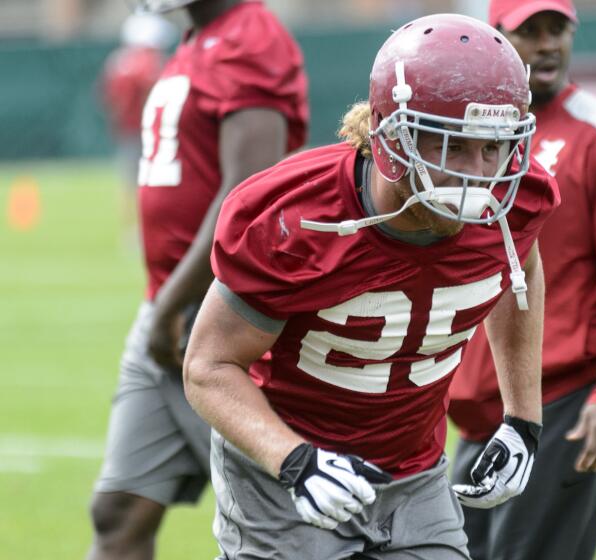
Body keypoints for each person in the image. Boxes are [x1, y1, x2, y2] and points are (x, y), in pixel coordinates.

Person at [182, 13, 560, 559]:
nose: (479, 177)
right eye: (452, 148)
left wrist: (523, 419)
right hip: (286, 476)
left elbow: (517, 268)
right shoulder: (297, 219)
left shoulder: (514, 201)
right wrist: (294, 461)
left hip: (414, 473)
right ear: (393, 137)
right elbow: (208, 367)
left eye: (493, 147)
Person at [448, 1, 596, 559]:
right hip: (482, 406)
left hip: (567, 396)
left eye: (557, 30)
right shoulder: (465, 137)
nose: (546, 44)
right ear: (494, 40)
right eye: (529, 32)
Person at [87, 1, 309, 558]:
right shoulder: (198, 36)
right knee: (119, 511)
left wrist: (171, 307)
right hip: (166, 310)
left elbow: (248, 198)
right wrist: (162, 307)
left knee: (288, 530)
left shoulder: (249, 37)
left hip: (223, 318)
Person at [99, 10, 175, 246]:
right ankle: (146, 229)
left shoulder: (117, 62)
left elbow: (108, 98)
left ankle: (132, 230)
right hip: (149, 130)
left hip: (128, 129)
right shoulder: (149, 62)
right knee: (153, 182)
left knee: (129, 183)